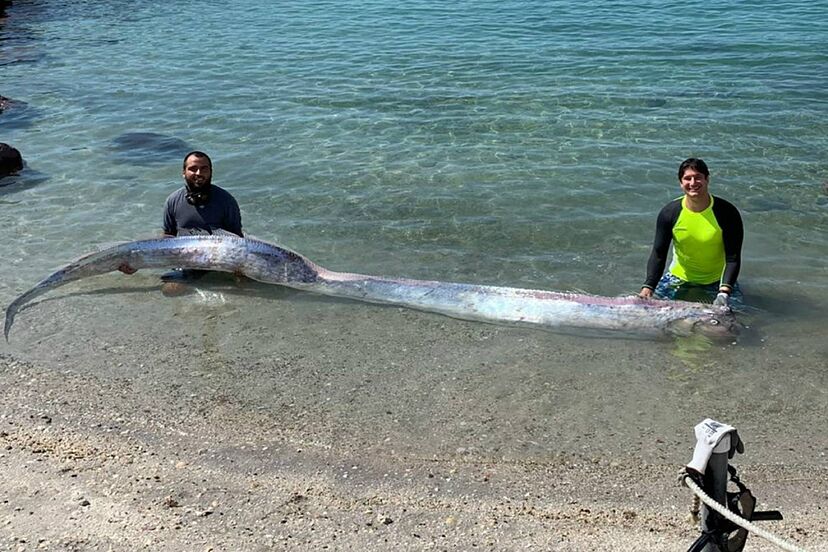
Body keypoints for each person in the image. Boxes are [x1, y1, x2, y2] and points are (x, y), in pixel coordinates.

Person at [120, 151, 243, 294]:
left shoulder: (227, 201)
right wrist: (137, 263)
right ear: (183, 173)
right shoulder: (173, 201)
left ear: (211, 172)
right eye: (193, 168)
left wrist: (239, 270)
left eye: (204, 168)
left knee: (246, 286)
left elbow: (238, 241)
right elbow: (167, 240)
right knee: (170, 291)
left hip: (221, 262)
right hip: (187, 263)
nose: (199, 173)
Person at [639, 158, 743, 307]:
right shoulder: (670, 213)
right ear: (681, 183)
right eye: (687, 178)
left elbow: (733, 258)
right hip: (678, 279)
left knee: (732, 323)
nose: (693, 183)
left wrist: (724, 292)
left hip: (717, 282)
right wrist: (648, 287)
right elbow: (658, 254)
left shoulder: (727, 212)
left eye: (698, 177)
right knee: (646, 313)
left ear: (707, 179)